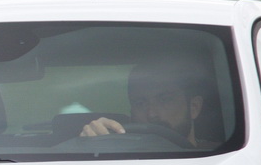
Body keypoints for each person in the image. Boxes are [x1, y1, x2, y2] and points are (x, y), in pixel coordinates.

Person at [79, 63, 210, 147]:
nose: (151, 114)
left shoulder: (222, 159)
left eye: (164, 100)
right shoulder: (119, 157)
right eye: (140, 103)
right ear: (131, 112)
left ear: (194, 107)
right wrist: (92, 144)